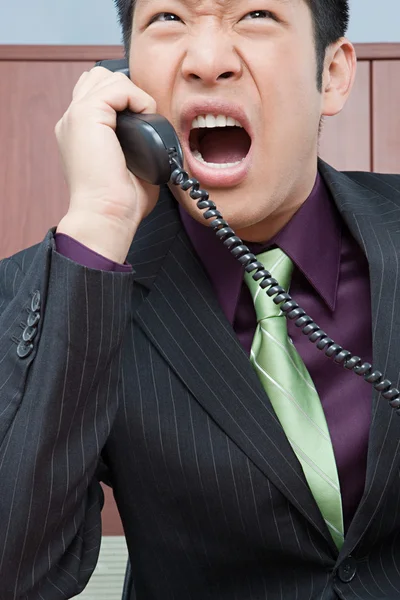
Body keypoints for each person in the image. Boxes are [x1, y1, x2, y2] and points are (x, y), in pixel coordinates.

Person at [1, 0, 400, 598]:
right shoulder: (59, 284)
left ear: (333, 74)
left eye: (258, 14)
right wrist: (101, 224)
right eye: (167, 18)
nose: (207, 61)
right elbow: (19, 573)